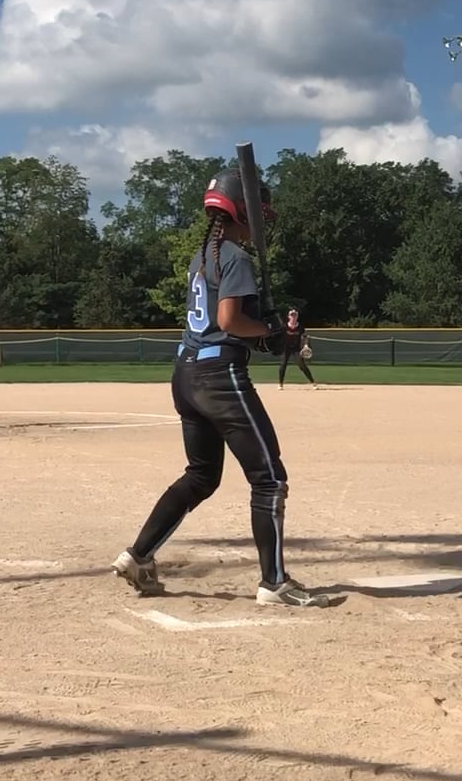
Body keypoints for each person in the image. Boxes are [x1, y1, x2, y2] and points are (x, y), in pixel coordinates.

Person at [111, 169, 341, 609]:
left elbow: (226, 323)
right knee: (269, 479)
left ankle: (138, 555)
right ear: (240, 210)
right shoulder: (236, 257)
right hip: (220, 378)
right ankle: (274, 583)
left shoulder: (204, 255)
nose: (261, 220)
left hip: (186, 373)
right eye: (256, 211)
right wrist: (270, 330)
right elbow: (230, 321)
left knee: (201, 476)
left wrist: (265, 329)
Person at [277, 308, 320, 390]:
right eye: (292, 315)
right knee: (283, 365)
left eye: (295, 315)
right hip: (286, 348)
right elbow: (279, 336)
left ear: (297, 317)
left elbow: (305, 337)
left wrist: (306, 345)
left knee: (302, 365)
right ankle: (280, 384)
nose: (293, 317)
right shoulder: (284, 326)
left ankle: (313, 383)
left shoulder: (300, 327)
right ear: (289, 316)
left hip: (296, 348)